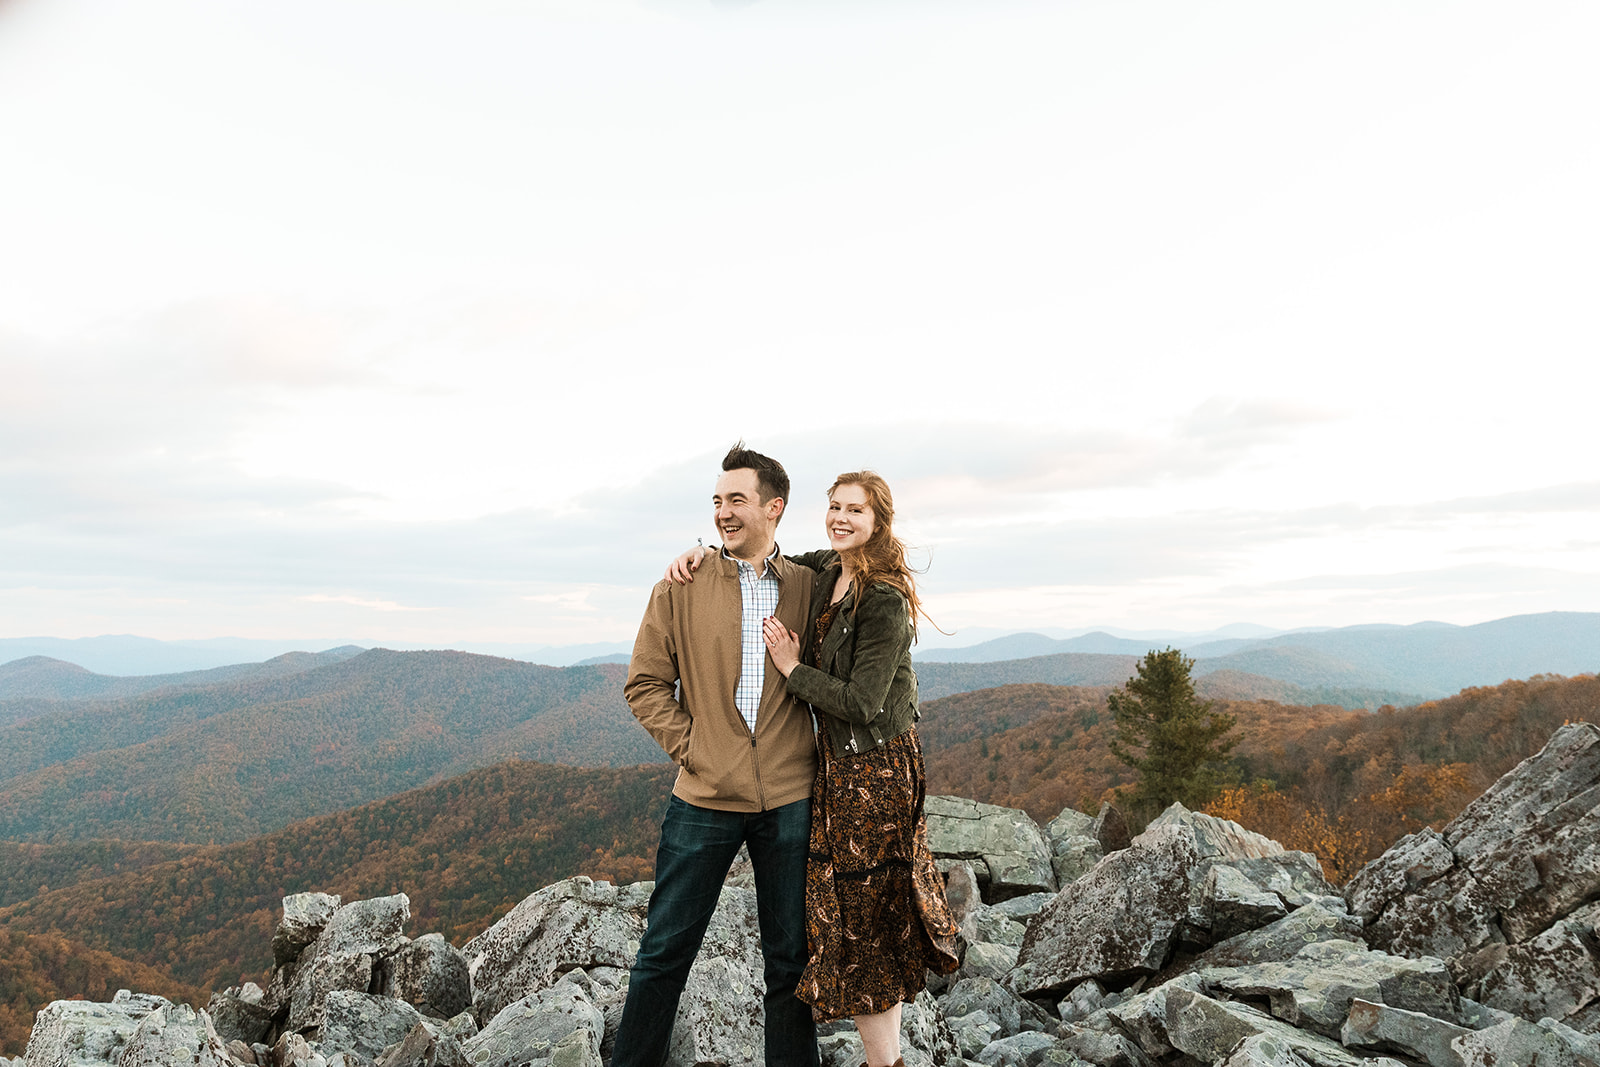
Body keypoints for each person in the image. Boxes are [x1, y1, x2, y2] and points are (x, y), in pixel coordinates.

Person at [671, 471, 960, 1067]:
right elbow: (758, 552)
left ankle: (886, 1062)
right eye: (834, 507)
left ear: (879, 521)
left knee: (869, 919)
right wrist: (704, 549)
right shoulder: (829, 569)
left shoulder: (882, 596)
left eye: (855, 510)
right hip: (834, 773)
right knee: (853, 918)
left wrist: (790, 666)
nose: (841, 518)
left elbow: (863, 702)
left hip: (876, 775)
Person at [613, 443, 821, 1067]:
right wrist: (694, 747)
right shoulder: (681, 583)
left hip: (789, 796)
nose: (723, 513)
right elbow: (645, 685)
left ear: (774, 507)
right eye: (717, 502)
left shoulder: (811, 587)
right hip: (703, 795)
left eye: (737, 500)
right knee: (663, 953)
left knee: (790, 960)